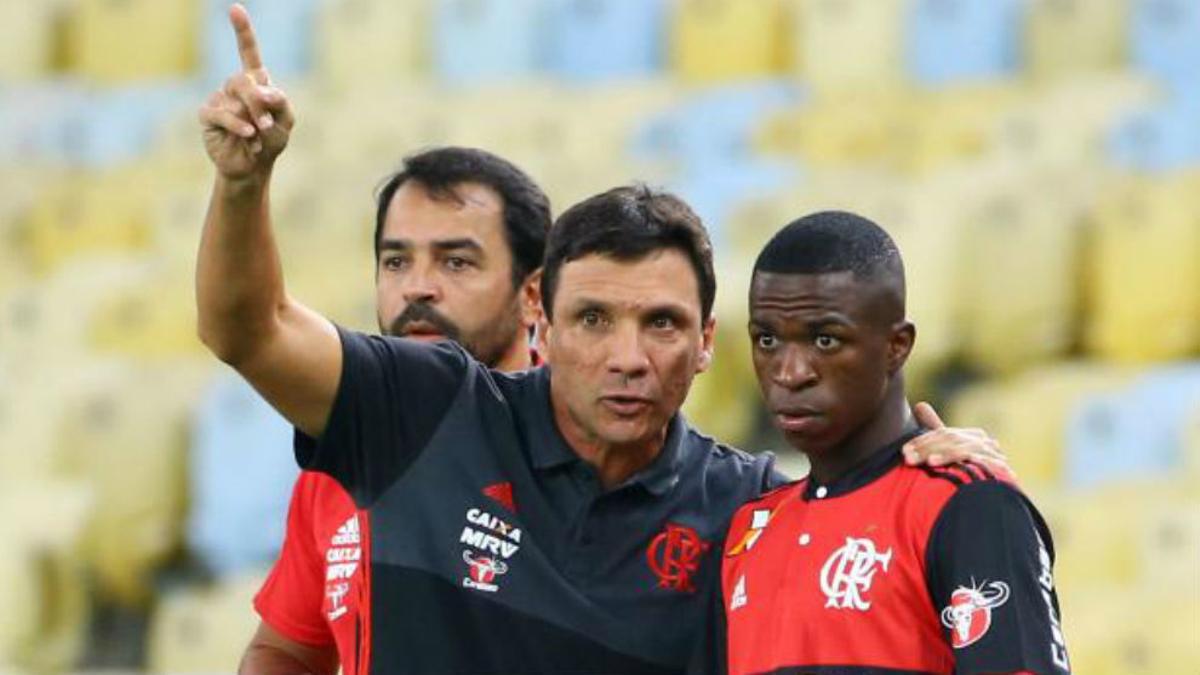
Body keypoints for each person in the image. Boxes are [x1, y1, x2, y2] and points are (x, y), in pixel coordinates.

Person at [197, 6, 1011, 673]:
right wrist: (244, 183)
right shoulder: (426, 409)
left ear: (705, 343)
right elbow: (247, 329)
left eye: (662, 323)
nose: (628, 356)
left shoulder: (749, 513)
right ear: (540, 321)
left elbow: (895, 583)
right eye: (593, 319)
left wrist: (945, 479)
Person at [706, 211, 1070, 674]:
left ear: (897, 346)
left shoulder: (968, 507)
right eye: (768, 340)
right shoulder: (749, 529)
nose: (790, 372)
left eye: (825, 339)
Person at [240, 146, 551, 675]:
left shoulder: (584, 440)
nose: (417, 287)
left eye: (456, 262)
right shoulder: (345, 456)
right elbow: (286, 648)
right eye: (396, 261)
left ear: (533, 296)